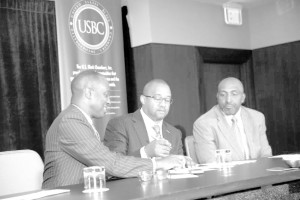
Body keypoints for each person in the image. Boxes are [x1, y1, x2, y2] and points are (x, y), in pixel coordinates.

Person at [42, 70, 184, 189]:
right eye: (105, 94)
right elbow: (111, 164)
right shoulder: (71, 121)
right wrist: (158, 163)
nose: (109, 100)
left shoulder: (78, 119)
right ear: (89, 93)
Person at [193, 77, 272, 163]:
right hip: (226, 175)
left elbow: (266, 156)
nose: (228, 100)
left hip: (258, 174)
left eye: (234, 94)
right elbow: (210, 164)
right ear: (217, 97)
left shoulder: (257, 117)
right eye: (223, 95)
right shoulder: (204, 123)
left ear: (243, 98)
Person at [104, 79, 186, 160]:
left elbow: (178, 168)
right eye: (158, 98)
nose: (163, 104)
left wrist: (185, 163)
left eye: (167, 100)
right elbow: (114, 164)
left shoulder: (175, 133)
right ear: (143, 99)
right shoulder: (120, 124)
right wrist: (145, 152)